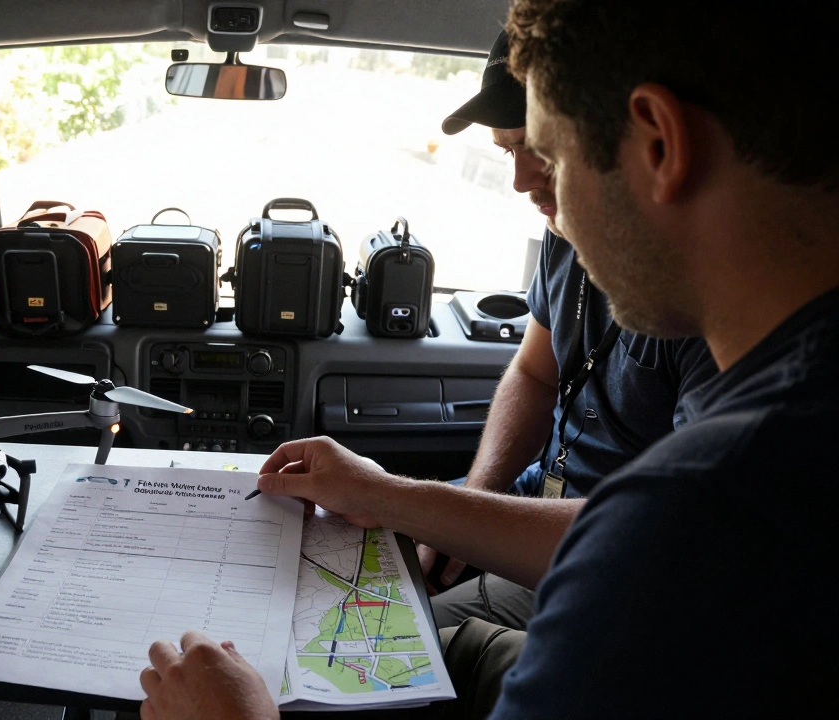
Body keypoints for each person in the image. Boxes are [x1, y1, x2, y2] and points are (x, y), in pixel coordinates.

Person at [139, 0, 839, 717]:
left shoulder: (694, 515)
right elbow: (536, 375)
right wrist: (410, 498)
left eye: (553, 154)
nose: (532, 187)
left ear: (660, 143)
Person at [427, 30, 715, 631]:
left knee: (411, 638)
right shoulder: (564, 233)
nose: (523, 180)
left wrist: (430, 509)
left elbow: (661, 540)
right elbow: (535, 372)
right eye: (509, 152)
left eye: (542, 149)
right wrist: (475, 503)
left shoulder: (706, 300)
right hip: (540, 494)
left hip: (602, 555)